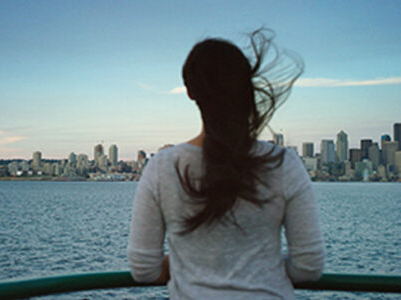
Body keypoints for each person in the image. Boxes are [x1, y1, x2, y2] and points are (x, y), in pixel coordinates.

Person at [127, 29, 325, 299]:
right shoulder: (284, 164)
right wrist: (260, 269)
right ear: (246, 87)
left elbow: (144, 270)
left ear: (190, 92)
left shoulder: (162, 167)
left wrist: (191, 260)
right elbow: (309, 267)